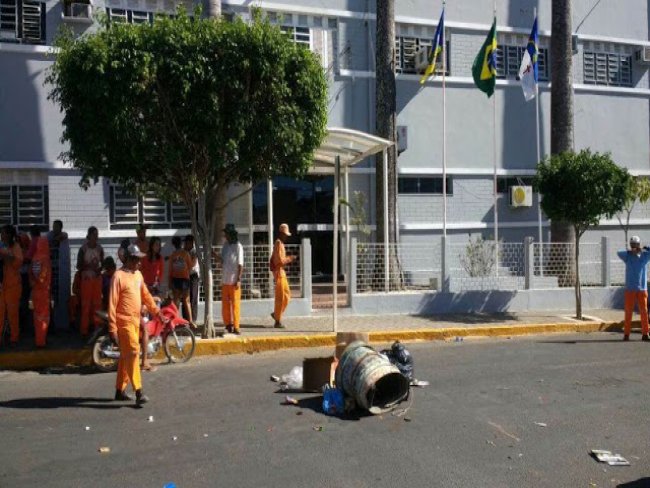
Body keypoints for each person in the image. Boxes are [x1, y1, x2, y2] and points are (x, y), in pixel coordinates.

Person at [108, 244, 161, 406]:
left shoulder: (138, 275)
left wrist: (157, 312)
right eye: (137, 259)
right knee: (133, 352)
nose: (140, 263)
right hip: (123, 321)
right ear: (129, 259)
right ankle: (139, 391)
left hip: (136, 320)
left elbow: (145, 295)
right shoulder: (118, 276)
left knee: (126, 356)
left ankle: (119, 390)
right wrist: (112, 327)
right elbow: (112, 303)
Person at [617, 235, 650, 341]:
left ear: (639, 245)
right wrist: (630, 251)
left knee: (644, 312)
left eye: (636, 245)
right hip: (630, 289)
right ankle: (626, 334)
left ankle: (645, 333)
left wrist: (644, 248)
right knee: (628, 312)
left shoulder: (644, 257)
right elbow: (618, 252)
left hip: (642, 289)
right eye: (632, 245)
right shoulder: (628, 256)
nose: (634, 247)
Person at [76, 226, 104, 337]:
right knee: (86, 305)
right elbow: (78, 265)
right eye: (94, 235)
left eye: (97, 235)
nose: (96, 237)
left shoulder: (100, 248)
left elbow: (103, 263)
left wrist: (99, 269)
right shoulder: (83, 249)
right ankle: (84, 330)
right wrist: (88, 266)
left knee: (97, 305)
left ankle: (97, 328)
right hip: (86, 279)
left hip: (97, 279)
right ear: (89, 235)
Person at [217, 224, 244, 334]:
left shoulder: (238, 246)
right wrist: (214, 255)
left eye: (227, 233)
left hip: (234, 282)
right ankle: (228, 324)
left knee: (235, 305)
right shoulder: (225, 246)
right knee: (225, 305)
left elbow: (240, 264)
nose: (225, 235)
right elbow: (222, 261)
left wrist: (238, 279)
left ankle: (236, 326)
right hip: (225, 280)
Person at [0, 225, 23, 346]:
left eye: (3, 233)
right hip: (1, 285)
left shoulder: (16, 247)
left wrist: (4, 255)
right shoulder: (1, 246)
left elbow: (17, 263)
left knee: (12, 313)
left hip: (13, 286)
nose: (1, 235)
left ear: (9, 235)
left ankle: (14, 338)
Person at [270, 223, 295, 329]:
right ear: (281, 233)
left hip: (281, 273)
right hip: (279, 273)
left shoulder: (281, 244)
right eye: (285, 234)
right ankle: (277, 321)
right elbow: (279, 261)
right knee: (281, 298)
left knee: (287, 296)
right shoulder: (278, 243)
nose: (286, 236)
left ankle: (276, 314)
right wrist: (290, 258)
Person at [46, 220, 70, 331]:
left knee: (60, 298)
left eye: (57, 227)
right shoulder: (49, 237)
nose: (54, 228)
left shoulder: (64, 239)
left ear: (60, 228)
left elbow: (64, 236)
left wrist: (58, 239)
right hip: (50, 271)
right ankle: (50, 322)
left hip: (60, 272)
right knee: (49, 298)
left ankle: (60, 322)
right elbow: (49, 240)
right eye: (53, 226)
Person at [29, 237, 51, 348]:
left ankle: (38, 339)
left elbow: (31, 273)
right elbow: (43, 276)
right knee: (44, 317)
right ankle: (41, 341)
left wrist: (33, 283)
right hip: (43, 291)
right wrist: (41, 283)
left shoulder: (34, 258)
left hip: (35, 291)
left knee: (36, 316)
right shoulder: (45, 259)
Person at [168, 236, 193, 323]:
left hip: (175, 279)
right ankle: (191, 321)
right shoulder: (186, 254)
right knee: (187, 301)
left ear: (173, 244)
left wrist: (170, 282)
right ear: (181, 244)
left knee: (176, 301)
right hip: (185, 279)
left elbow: (170, 270)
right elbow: (190, 267)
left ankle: (175, 320)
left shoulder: (173, 255)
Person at [183, 235, 200, 324]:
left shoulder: (194, 252)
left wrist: (185, 266)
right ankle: (185, 319)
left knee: (193, 297)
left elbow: (193, 264)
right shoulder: (184, 252)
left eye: (187, 242)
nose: (185, 244)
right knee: (185, 298)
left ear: (191, 243)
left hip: (193, 276)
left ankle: (193, 319)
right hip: (185, 276)